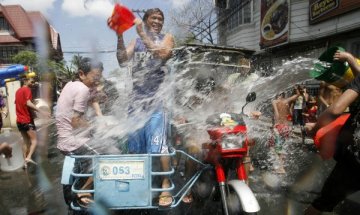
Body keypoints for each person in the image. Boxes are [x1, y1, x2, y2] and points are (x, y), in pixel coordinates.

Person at [109, 8, 175, 207]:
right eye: (154, 18)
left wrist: (142, 34)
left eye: (160, 18)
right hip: (136, 104)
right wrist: (120, 34)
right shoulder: (135, 42)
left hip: (157, 103)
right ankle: (139, 183)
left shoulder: (167, 37)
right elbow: (122, 61)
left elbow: (163, 54)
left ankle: (165, 183)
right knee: (135, 149)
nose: (158, 21)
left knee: (159, 144)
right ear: (145, 20)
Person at [304, 50, 360, 215]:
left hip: (355, 161)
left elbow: (335, 109)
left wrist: (315, 128)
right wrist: (350, 59)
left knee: (321, 204)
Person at [56, 57, 107, 207]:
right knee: (106, 156)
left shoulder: (71, 85)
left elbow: (94, 99)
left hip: (65, 139)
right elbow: (76, 121)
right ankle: (83, 191)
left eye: (100, 77)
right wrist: (94, 125)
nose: (98, 80)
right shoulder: (82, 89)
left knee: (100, 147)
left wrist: (100, 115)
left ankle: (84, 181)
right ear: (81, 74)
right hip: (72, 142)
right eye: (95, 77)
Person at [15, 77, 49, 168]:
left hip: (19, 121)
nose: (33, 83)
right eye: (32, 81)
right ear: (25, 81)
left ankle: (24, 162)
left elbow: (21, 105)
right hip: (26, 120)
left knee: (26, 142)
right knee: (34, 140)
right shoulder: (27, 90)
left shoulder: (18, 91)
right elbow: (28, 103)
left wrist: (33, 113)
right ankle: (29, 157)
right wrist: (42, 111)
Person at [271, 91, 299, 173]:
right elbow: (296, 95)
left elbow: (276, 113)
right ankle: (281, 166)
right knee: (282, 146)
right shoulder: (286, 101)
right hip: (286, 127)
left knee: (275, 147)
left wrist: (275, 124)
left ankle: (280, 167)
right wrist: (297, 88)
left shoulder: (274, 101)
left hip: (279, 126)